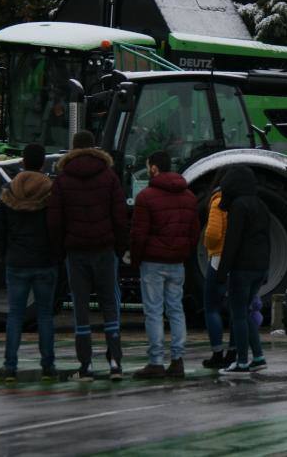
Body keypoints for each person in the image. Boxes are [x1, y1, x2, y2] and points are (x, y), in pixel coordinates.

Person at [47, 130, 128, 382]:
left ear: (73, 148)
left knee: (80, 307)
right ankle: (115, 362)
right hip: (104, 249)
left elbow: (55, 220)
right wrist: (120, 246)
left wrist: (60, 249)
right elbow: (120, 215)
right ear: (94, 147)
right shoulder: (109, 176)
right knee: (109, 304)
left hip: (76, 252)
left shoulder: (62, 179)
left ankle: (86, 365)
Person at [131, 151, 199, 379]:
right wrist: (184, 252)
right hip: (177, 262)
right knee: (176, 310)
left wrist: (136, 257)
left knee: (153, 312)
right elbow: (194, 233)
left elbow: (139, 234)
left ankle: (156, 361)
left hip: (152, 262)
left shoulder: (145, 197)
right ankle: (177, 360)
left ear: (153, 168)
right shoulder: (189, 196)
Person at [0, 143, 57, 383]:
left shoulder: (8, 191)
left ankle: (10, 367)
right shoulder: (50, 191)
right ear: (43, 163)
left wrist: (6, 254)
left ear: (22, 162)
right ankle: (48, 366)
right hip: (44, 261)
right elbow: (56, 226)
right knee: (45, 315)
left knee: (15, 315)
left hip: (16, 261)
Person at [216, 166, 270, 376]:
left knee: (237, 314)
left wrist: (222, 271)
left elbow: (232, 241)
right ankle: (258, 357)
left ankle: (241, 360)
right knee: (245, 312)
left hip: (242, 267)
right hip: (259, 267)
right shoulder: (261, 205)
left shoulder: (239, 205)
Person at [201, 169, 237, 369]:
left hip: (218, 258)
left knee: (212, 307)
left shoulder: (217, 202)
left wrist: (207, 244)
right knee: (235, 308)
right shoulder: (240, 202)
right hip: (237, 260)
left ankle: (217, 352)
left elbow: (213, 234)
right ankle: (233, 351)